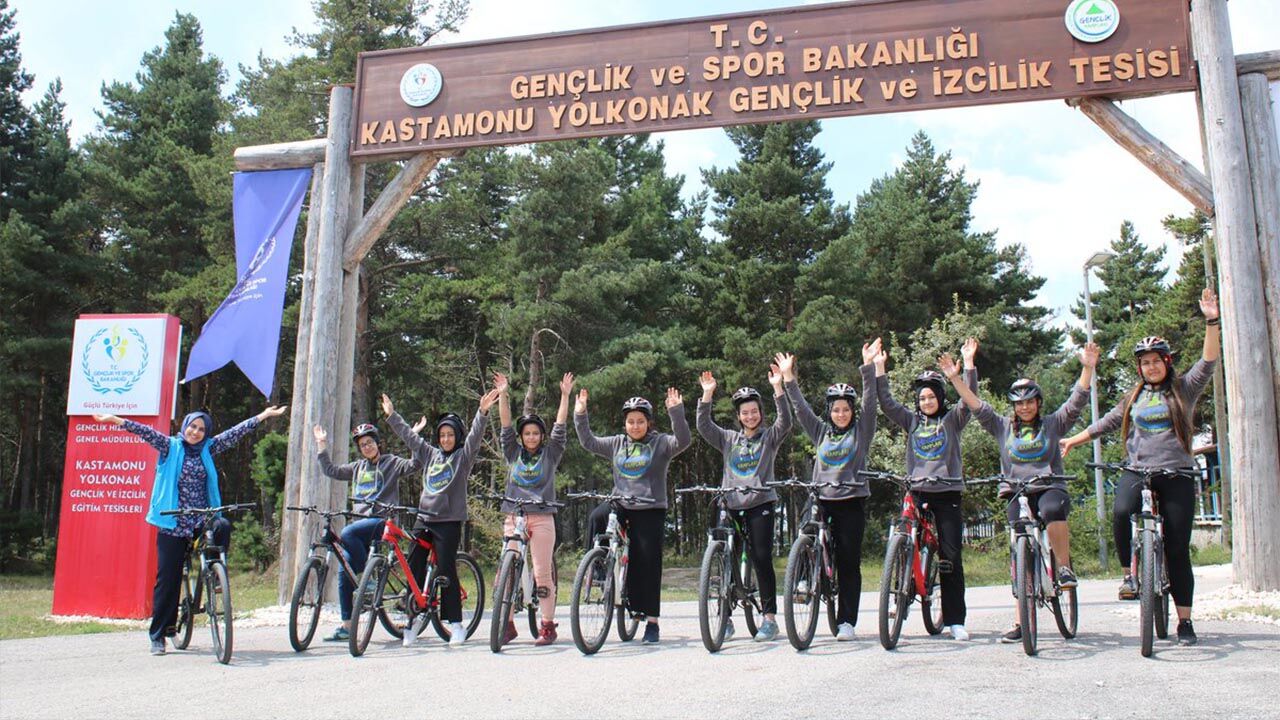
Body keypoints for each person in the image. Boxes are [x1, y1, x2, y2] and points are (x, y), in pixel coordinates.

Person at [1061, 288, 1220, 645]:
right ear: (1140, 368)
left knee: (1178, 548)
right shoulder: (1133, 397)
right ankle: (1129, 576)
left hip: (1176, 473)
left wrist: (1212, 320)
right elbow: (1105, 423)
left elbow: (1208, 361)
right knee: (1120, 512)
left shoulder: (1183, 388)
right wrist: (1074, 440)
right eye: (1145, 362)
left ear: (1166, 362)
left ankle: (1185, 622)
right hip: (1139, 471)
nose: (1151, 367)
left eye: (1156, 360)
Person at [93, 405, 287, 655]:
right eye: (192, 427)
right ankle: (159, 635)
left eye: (201, 429)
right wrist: (116, 420)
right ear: (185, 426)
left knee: (222, 525)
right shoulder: (169, 446)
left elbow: (234, 433)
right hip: (173, 523)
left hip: (200, 520)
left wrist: (263, 416)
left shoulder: (208, 448)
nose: (195, 432)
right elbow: (145, 432)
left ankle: (216, 573)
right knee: (168, 579)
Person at [940, 342, 1099, 643]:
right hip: (1016, 492)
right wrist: (955, 378)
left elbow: (1076, 401)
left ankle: (1063, 568)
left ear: (1038, 403)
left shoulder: (1053, 424)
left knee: (1052, 510)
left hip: (1050, 487)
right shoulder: (1002, 426)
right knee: (1019, 547)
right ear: (1013, 406)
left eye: (1030, 402)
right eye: (1019, 403)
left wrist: (1087, 368)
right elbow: (975, 404)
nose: (1024, 407)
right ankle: (1020, 620)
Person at [774, 343, 880, 641]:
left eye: (846, 409)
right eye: (836, 409)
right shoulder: (820, 431)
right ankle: (806, 579)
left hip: (852, 501)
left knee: (848, 563)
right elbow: (800, 409)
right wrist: (788, 378)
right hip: (822, 498)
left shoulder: (862, 430)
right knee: (807, 531)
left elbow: (870, 403)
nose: (841, 413)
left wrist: (868, 367)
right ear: (829, 411)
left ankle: (846, 621)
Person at [875, 338, 978, 641]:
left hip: (947, 494)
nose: (926, 402)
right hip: (917, 491)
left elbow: (970, 398)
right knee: (903, 537)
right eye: (922, 399)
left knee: (950, 556)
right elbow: (887, 403)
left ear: (941, 398)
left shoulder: (952, 419)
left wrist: (968, 366)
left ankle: (955, 620)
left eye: (931, 397)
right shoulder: (911, 421)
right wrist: (879, 368)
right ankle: (901, 588)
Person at [383, 387, 500, 647]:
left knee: (446, 570)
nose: (446, 439)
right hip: (424, 518)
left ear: (456, 437)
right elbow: (411, 440)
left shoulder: (463, 457)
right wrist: (393, 416)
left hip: (448, 521)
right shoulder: (430, 454)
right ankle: (412, 622)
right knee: (413, 568)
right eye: (442, 435)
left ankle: (456, 624)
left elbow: (474, 438)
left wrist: (482, 413)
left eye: (450, 435)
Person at [574, 386, 691, 644]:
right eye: (630, 421)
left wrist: (676, 412)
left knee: (647, 564)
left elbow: (683, 440)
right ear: (625, 423)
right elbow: (588, 441)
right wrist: (580, 413)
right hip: (622, 503)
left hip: (650, 507)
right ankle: (599, 571)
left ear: (648, 423)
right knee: (596, 517)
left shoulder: (661, 443)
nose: (635, 426)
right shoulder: (617, 443)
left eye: (640, 421)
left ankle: (651, 622)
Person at [695, 363, 792, 642]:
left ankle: (769, 618)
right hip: (730, 504)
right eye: (745, 412)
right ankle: (725, 619)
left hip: (760, 503)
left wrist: (778, 389)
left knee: (761, 558)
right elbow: (703, 426)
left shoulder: (770, 437)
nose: (750, 416)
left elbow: (785, 421)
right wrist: (707, 395)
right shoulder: (728, 439)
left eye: (754, 411)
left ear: (760, 414)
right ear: (738, 416)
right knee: (726, 559)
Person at [313, 421, 419, 642]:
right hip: (360, 525)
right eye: (363, 445)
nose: (367, 447)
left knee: (348, 533)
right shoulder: (357, 468)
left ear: (378, 443)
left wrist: (413, 438)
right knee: (344, 571)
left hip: (382, 522)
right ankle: (346, 626)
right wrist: (321, 445)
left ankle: (366, 579)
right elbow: (331, 470)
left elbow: (414, 465)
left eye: (370, 442)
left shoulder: (391, 463)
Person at [492, 371, 574, 646]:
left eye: (535, 433)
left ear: (541, 435)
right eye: (526, 433)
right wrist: (503, 394)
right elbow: (504, 424)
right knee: (506, 570)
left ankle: (548, 625)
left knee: (541, 572)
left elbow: (560, 427)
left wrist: (565, 396)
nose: (530, 437)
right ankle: (508, 625)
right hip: (514, 515)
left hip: (541, 517)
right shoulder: (513, 452)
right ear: (521, 436)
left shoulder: (551, 454)